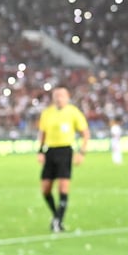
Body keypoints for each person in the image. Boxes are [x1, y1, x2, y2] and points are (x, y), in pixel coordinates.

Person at [36, 85, 90, 233]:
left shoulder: (73, 112)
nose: (59, 98)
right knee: (45, 189)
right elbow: (43, 134)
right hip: (50, 151)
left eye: (61, 95)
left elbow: (85, 133)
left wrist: (82, 152)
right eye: (56, 95)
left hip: (65, 151)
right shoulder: (47, 113)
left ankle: (58, 221)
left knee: (63, 187)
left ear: (67, 97)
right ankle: (56, 216)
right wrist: (40, 151)